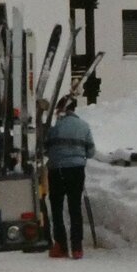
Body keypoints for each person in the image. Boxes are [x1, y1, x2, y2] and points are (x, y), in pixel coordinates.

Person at [45, 95, 95, 259]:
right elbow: (91, 152)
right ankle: (77, 248)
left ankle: (60, 246)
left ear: (63, 109)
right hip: (76, 171)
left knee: (57, 209)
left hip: (57, 170)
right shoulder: (84, 126)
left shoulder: (54, 127)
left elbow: (45, 148)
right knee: (75, 208)